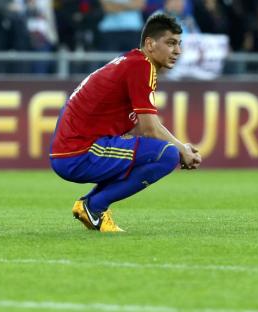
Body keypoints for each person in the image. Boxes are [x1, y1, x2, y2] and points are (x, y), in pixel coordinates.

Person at [49, 13, 202, 233]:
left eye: (179, 44)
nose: (178, 51)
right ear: (150, 44)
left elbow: (137, 126)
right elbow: (149, 128)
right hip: (80, 152)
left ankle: (89, 206)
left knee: (152, 151)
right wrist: (182, 150)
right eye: (170, 43)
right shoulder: (142, 67)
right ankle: (94, 206)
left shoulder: (131, 61)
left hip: (72, 149)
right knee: (167, 155)